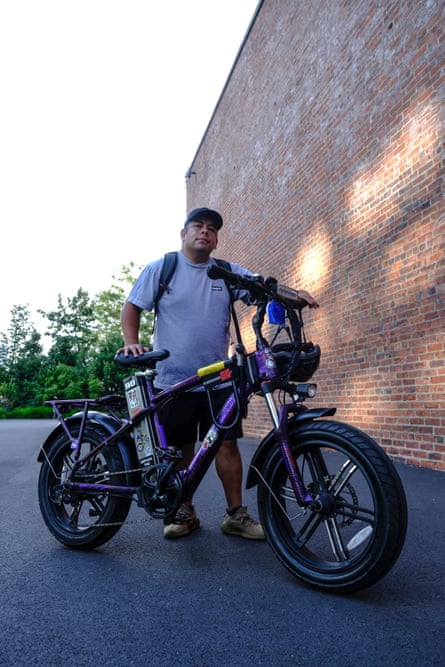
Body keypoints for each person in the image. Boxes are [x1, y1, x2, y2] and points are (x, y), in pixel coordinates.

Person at [118, 207, 319, 540]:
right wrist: (131, 343)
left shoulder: (225, 272)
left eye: (212, 228)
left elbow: (262, 287)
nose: (205, 231)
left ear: (215, 239)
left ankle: (235, 515)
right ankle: (183, 511)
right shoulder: (162, 269)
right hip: (174, 379)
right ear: (184, 233)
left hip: (219, 377)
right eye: (198, 225)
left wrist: (293, 295)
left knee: (226, 446)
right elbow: (132, 307)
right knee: (181, 448)